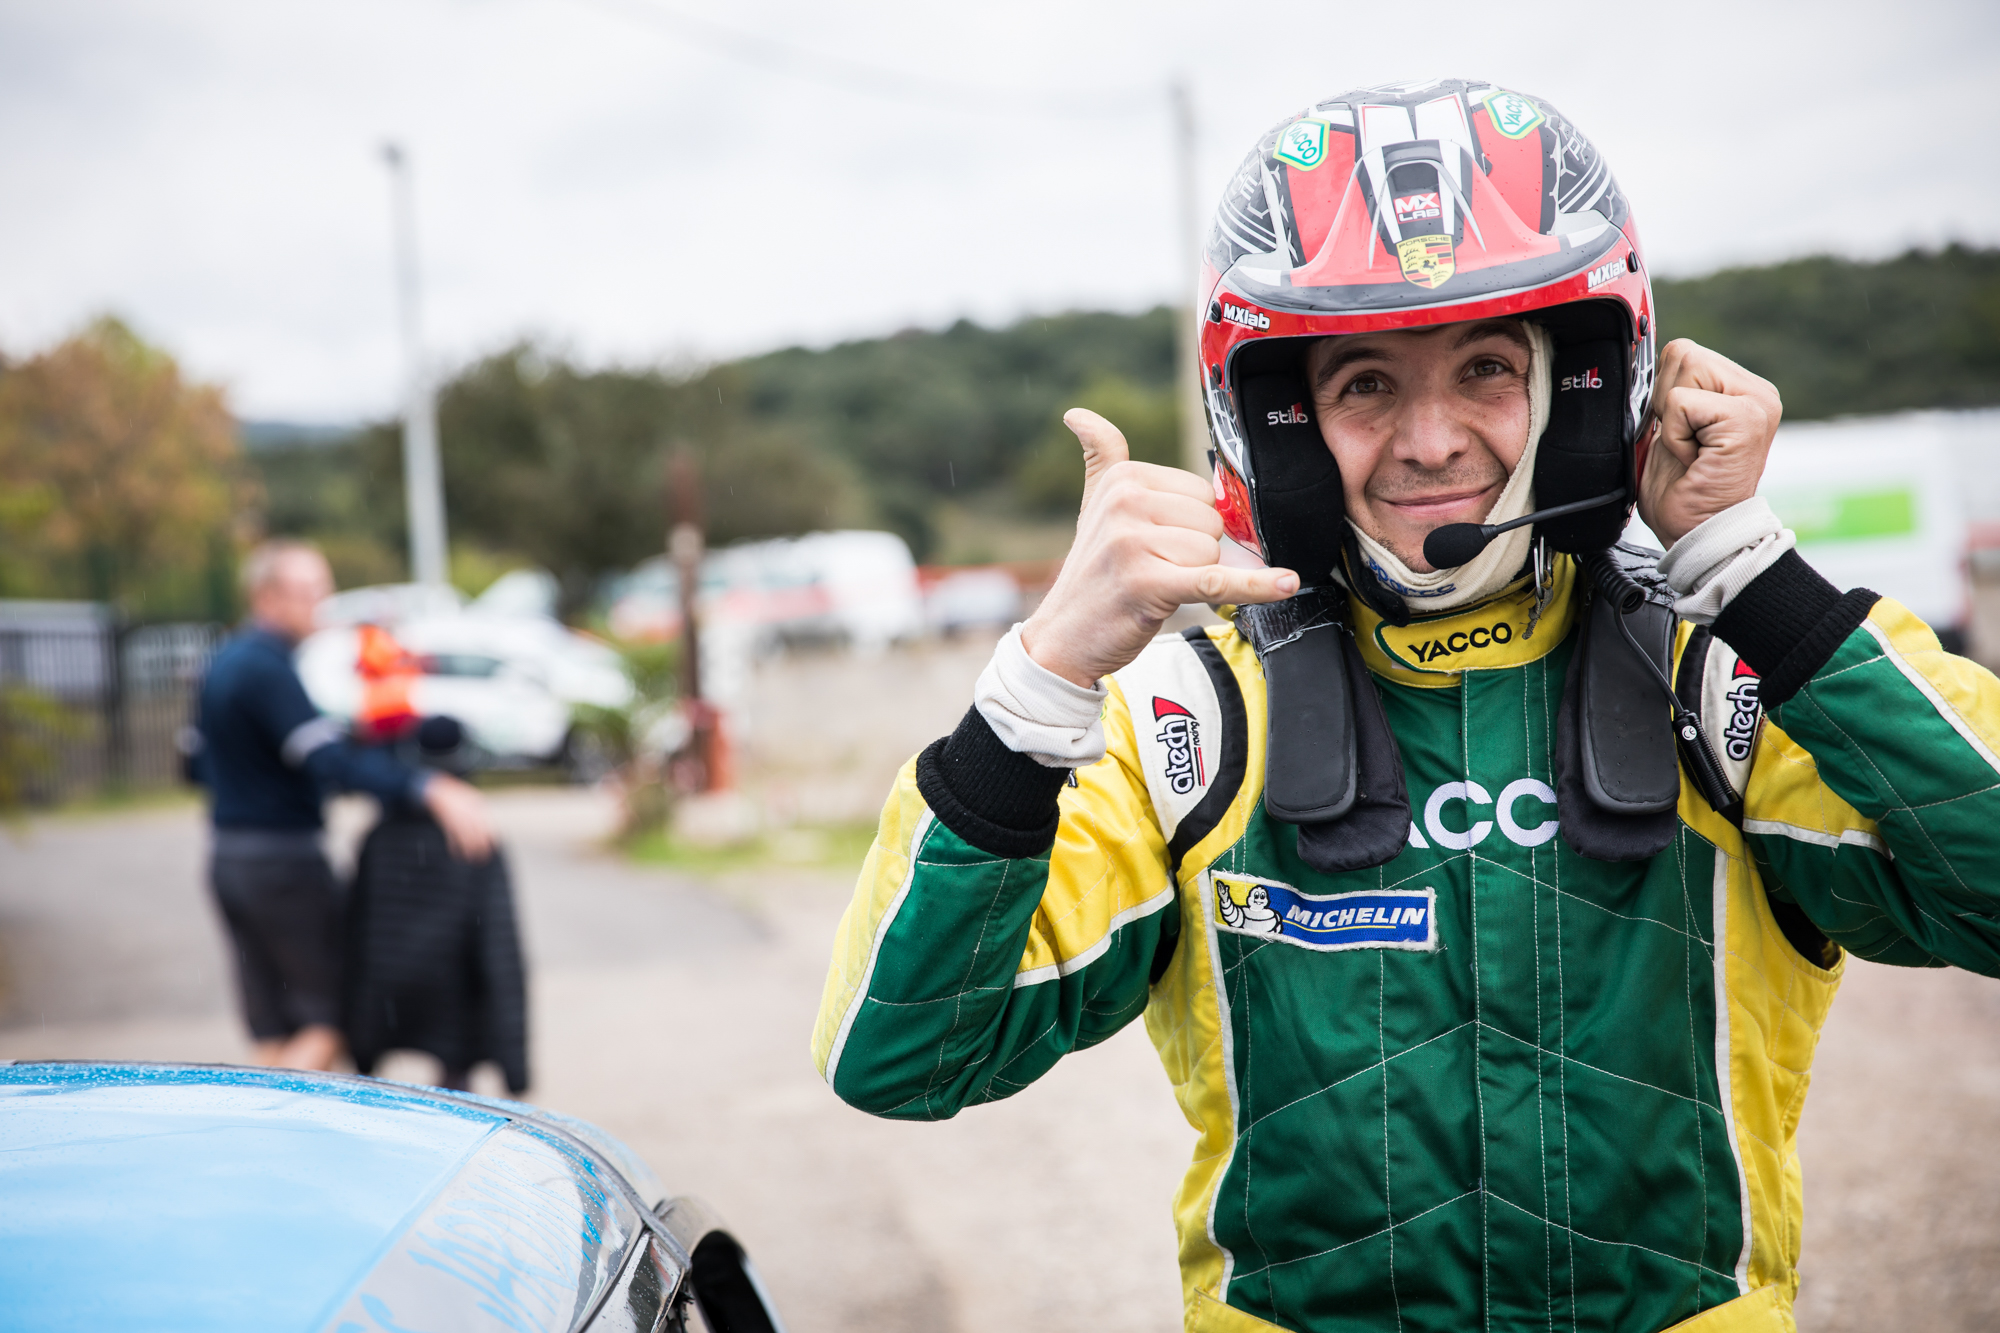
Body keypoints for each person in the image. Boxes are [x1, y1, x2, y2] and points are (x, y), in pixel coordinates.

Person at [812, 78, 2000, 1331]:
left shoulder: (1729, 683)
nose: (1430, 441)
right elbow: (902, 1056)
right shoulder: (1189, 725)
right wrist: (1041, 676)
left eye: (1485, 367)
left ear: (1581, 392)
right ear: (1280, 426)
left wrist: (1749, 572)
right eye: (1365, 383)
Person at [192, 541, 492, 1071]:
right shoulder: (265, 669)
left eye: (323, 588)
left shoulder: (225, 662)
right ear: (266, 598)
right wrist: (428, 787)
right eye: (308, 591)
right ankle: (265, 1121)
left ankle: (268, 1123)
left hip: (229, 860)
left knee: (274, 1026)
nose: (322, 602)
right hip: (282, 867)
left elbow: (194, 764)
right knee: (330, 1020)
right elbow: (327, 761)